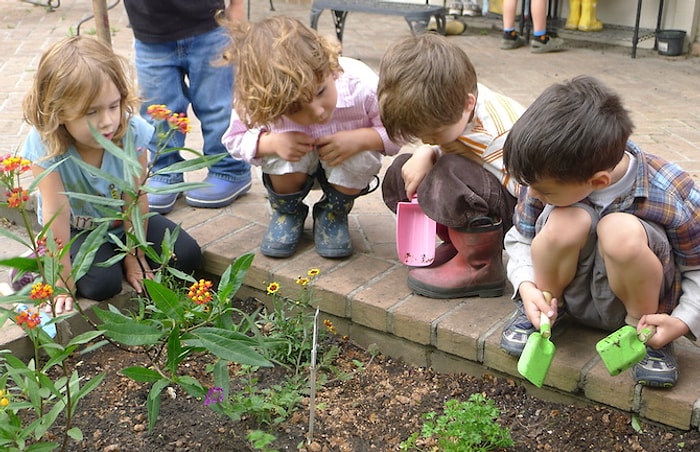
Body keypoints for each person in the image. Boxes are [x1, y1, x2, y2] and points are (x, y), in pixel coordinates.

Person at [499, 75, 700, 388]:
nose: (534, 196)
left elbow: (697, 268)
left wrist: (682, 320)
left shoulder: (669, 190)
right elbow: (522, 238)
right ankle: (548, 311)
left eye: (544, 192)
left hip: (640, 310)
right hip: (567, 296)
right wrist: (527, 287)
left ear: (598, 181)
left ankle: (640, 337)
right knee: (568, 220)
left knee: (619, 230)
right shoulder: (543, 175)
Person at [21, 36, 202, 314]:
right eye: (91, 112)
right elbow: (56, 214)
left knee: (187, 254)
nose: (106, 121)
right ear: (59, 112)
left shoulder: (133, 132)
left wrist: (135, 254)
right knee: (102, 285)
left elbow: (136, 196)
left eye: (113, 106)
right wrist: (61, 278)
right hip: (76, 231)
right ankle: (40, 263)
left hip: (125, 223)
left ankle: (115, 256)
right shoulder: (45, 145)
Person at [220, 16, 400, 259]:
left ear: (330, 67)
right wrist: (271, 143)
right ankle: (288, 212)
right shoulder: (259, 99)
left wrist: (361, 139)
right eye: (295, 109)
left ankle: (333, 212)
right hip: (294, 164)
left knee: (362, 154)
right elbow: (234, 139)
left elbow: (397, 132)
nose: (317, 111)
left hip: (341, 163)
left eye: (321, 92)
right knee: (275, 145)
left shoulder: (363, 85)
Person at [378, 32, 525, 299]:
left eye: (435, 133)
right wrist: (428, 150)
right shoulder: (454, 104)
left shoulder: (499, 134)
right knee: (403, 170)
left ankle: (479, 265)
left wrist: (527, 258)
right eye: (422, 135)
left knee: (449, 172)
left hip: (518, 212)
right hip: (486, 190)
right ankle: (458, 243)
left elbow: (532, 192)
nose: (426, 139)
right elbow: (443, 145)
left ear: (468, 104)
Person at [122, 0, 252, 214]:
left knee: (217, 108)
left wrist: (237, 8)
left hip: (210, 26)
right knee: (159, 111)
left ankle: (229, 169)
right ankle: (164, 171)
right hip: (149, 30)